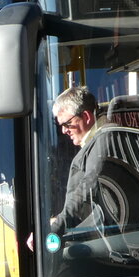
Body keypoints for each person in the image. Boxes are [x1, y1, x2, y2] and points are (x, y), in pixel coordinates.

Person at [51, 85, 106, 231]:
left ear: (86, 117)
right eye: (60, 125)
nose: (64, 130)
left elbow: (88, 189)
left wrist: (57, 226)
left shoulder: (103, 140)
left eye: (67, 124)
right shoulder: (101, 138)